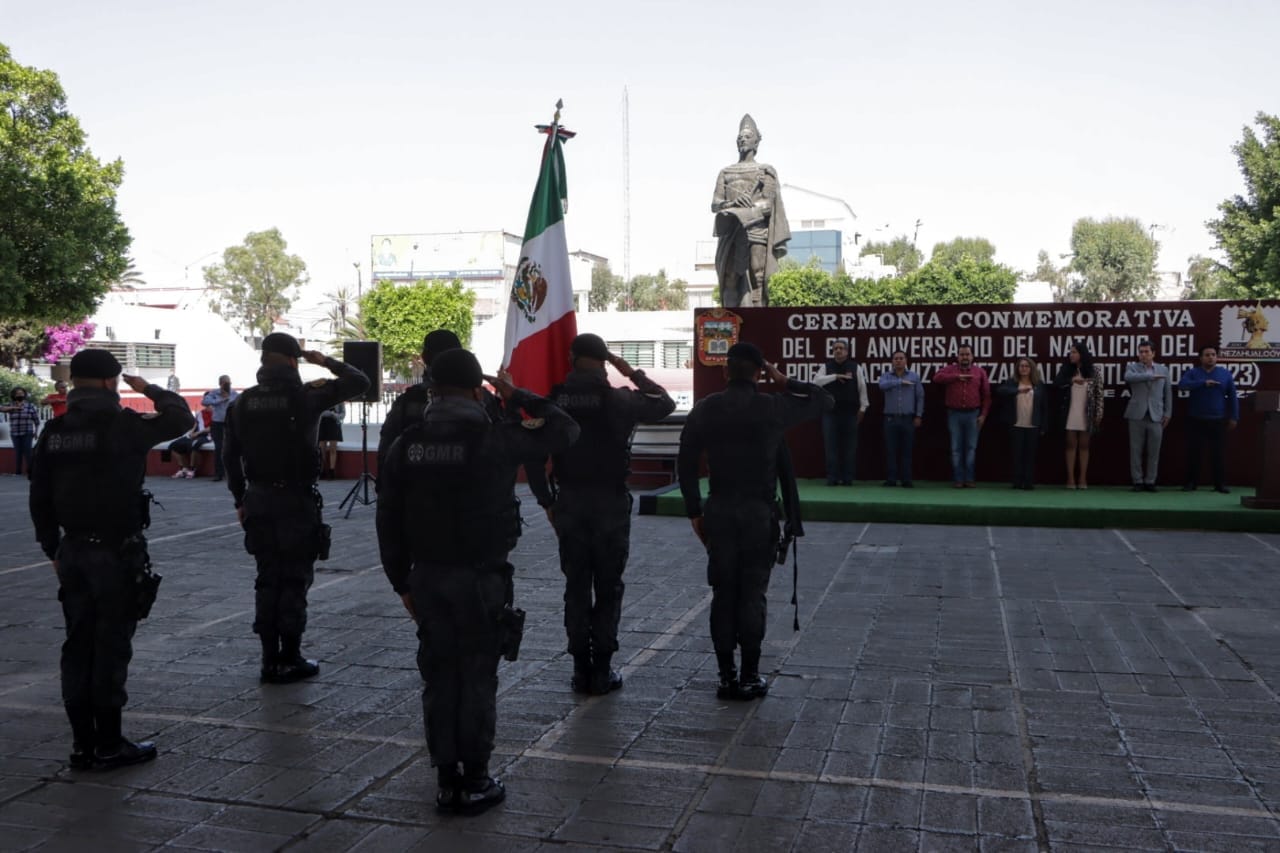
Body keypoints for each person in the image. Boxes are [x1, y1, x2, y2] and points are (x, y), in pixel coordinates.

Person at [377, 349, 579, 815]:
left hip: (426, 577)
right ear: (476, 390)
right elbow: (566, 429)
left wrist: (400, 583)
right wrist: (517, 394)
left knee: (440, 676)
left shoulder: (407, 444)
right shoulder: (495, 439)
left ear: (431, 391)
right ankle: (476, 778)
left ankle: (447, 779)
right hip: (481, 580)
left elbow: (387, 518)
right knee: (476, 677)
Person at [29, 348, 193, 770]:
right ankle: (109, 743)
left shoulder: (56, 430)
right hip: (115, 553)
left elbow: (39, 497)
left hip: (73, 551)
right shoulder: (124, 426)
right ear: (109, 382)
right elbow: (181, 418)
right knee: (111, 646)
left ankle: (83, 744)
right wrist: (149, 388)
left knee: (78, 645)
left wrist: (52, 549)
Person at [676, 342, 832, 700]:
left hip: (719, 510)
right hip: (758, 515)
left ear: (725, 371)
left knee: (723, 593)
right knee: (752, 594)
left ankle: (726, 675)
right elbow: (825, 401)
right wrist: (784, 378)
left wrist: (694, 511)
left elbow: (684, 463)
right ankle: (749, 674)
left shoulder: (706, 409)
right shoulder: (773, 406)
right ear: (760, 373)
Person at [527, 333, 675, 695]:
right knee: (608, 588)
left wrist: (547, 501)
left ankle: (580, 669)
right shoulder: (619, 398)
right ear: (605, 360)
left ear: (571, 357)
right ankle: (602, 670)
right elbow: (665, 403)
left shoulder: (555, 401)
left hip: (571, 503)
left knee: (576, 586)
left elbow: (531, 454)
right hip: (609, 503)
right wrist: (632, 372)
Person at [222, 333, 369, 683]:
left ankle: (268, 658)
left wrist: (240, 499)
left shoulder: (242, 403)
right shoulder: (306, 396)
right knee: (294, 578)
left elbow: (230, 457)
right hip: (295, 500)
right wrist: (324, 361)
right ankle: (289, 657)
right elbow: (360, 381)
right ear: (293, 360)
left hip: (257, 498)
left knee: (267, 576)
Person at [710, 114, 790, 307]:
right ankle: (730, 317)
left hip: (756, 231)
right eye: (740, 137)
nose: (742, 139)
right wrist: (733, 204)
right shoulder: (726, 172)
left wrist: (748, 211)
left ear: (756, 141)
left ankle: (758, 317)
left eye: (747, 136)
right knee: (729, 277)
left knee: (757, 276)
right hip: (731, 231)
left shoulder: (765, 171)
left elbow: (768, 205)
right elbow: (715, 203)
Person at [1178, 345, 1239, 494]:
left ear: (1217, 357)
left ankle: (1220, 484)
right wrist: (1202, 384)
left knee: (1217, 454)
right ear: (1201, 358)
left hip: (1217, 420)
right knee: (1194, 453)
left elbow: (1233, 397)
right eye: (1207, 355)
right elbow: (1182, 386)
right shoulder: (1194, 373)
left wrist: (1234, 417)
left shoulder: (1225, 374)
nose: (1211, 357)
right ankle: (1191, 483)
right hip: (1196, 419)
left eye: (1213, 354)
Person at [934, 344, 991, 488]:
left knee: (971, 448)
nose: (964, 357)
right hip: (954, 414)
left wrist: (983, 415)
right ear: (957, 356)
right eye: (962, 354)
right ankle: (958, 479)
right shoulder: (950, 370)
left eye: (967, 354)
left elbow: (987, 396)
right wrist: (957, 377)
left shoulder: (980, 372)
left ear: (972, 356)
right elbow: (936, 378)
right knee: (956, 449)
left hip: (973, 414)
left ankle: (970, 479)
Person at [814, 340, 868, 485]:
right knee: (831, 447)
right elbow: (816, 382)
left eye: (841, 348)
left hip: (850, 413)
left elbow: (862, 387)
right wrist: (835, 376)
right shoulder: (826, 366)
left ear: (847, 351)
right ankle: (832, 477)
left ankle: (847, 478)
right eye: (835, 348)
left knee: (849, 447)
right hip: (830, 413)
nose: (838, 351)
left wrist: (863, 408)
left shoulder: (855, 367)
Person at [1053, 341, 1104, 490]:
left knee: (1084, 445)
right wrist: (1071, 380)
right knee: (1070, 445)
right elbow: (1056, 384)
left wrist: (1098, 414)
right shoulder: (1066, 369)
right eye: (1070, 352)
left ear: (1082, 354)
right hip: (1070, 411)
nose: (1071, 355)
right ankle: (1070, 478)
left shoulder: (1094, 371)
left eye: (1074, 352)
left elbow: (1099, 394)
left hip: (1086, 412)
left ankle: (1082, 478)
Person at [1124, 340, 1172, 492]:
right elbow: (1128, 378)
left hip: (1156, 414)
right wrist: (1149, 376)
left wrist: (1168, 413)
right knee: (1135, 449)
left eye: (1146, 352)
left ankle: (1150, 481)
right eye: (1141, 352)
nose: (1143, 355)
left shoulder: (1163, 370)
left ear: (1153, 353)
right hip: (1136, 414)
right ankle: (1137, 481)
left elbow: (1167, 393)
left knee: (1154, 451)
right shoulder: (1132, 367)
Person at [996, 358, 1049, 490]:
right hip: (1016, 424)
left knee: (1030, 455)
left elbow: (1044, 407)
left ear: (1031, 368)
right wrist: (1018, 391)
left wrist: (1043, 426)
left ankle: (1029, 482)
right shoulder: (1012, 383)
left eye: (1026, 366)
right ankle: (1017, 482)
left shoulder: (1038, 384)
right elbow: (1000, 391)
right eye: (1021, 366)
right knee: (1017, 455)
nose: (1024, 368)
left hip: (1033, 425)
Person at [877, 350, 923, 487]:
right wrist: (899, 382)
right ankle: (891, 479)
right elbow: (881, 386)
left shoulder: (914, 377)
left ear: (906, 360)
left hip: (908, 419)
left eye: (901, 358)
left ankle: (906, 479)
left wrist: (919, 415)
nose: (898, 360)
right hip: (890, 419)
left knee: (906, 451)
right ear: (892, 361)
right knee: (891, 451)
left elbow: (920, 397)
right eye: (895, 358)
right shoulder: (886, 376)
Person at [201, 375, 239, 482]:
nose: (227, 385)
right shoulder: (214, 393)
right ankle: (219, 473)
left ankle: (233, 472)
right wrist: (221, 399)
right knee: (219, 447)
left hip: (230, 423)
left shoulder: (234, 394)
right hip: (217, 424)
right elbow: (204, 402)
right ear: (220, 384)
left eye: (229, 383)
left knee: (233, 447)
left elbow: (239, 404)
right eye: (225, 383)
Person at [2, 387, 40, 476]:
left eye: (21, 393)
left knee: (28, 452)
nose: (20, 395)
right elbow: (1, 408)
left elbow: (36, 421)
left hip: (27, 432)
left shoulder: (30, 406)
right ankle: (18, 472)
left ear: (24, 394)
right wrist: (13, 408)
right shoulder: (10, 405)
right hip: (15, 433)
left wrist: (36, 432)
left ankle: (31, 472)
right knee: (18, 453)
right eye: (17, 394)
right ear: (14, 395)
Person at [168, 406, 213, 479]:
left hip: (207, 435)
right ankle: (184, 468)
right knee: (173, 445)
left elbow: (212, 428)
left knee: (194, 445)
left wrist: (197, 433)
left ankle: (192, 469)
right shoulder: (200, 413)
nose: (208, 407)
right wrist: (191, 432)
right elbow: (196, 424)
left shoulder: (216, 414)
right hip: (196, 434)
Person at [318, 402, 345, 479]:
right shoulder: (321, 396)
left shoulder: (339, 399)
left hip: (334, 424)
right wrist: (323, 413)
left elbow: (342, 414)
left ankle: (331, 471)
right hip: (322, 423)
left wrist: (334, 415)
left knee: (333, 448)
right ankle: (322, 471)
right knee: (322, 449)